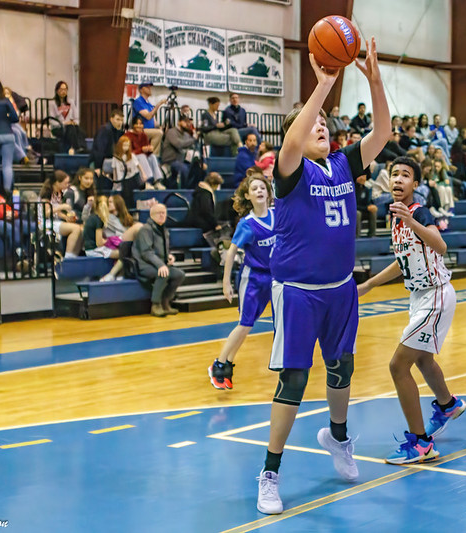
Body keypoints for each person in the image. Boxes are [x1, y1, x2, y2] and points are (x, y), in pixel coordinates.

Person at [255, 39, 391, 515]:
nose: (321, 127)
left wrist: (375, 82)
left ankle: (337, 437)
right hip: (298, 292)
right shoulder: (290, 171)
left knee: (342, 368)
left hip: (340, 289)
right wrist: (324, 86)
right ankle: (270, 472)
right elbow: (293, 141)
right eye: (313, 123)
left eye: (325, 124)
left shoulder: (342, 164)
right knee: (294, 379)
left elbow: (383, 132)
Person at [357, 157, 466, 464]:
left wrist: (412, 221)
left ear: (415, 184)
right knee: (422, 359)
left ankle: (420, 444)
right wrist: (370, 284)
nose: (398, 179)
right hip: (419, 297)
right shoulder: (396, 220)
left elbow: (440, 246)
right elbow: (402, 261)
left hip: (436, 295)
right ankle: (447, 405)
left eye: (405, 175)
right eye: (394, 174)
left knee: (398, 365)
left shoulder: (419, 212)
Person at [208, 174, 275, 390]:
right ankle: (219, 364)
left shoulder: (278, 215)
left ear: (268, 192)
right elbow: (231, 252)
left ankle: (228, 363)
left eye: (262, 187)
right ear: (247, 196)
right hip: (253, 278)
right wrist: (226, 282)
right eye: (254, 189)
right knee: (245, 324)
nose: (259, 191)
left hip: (276, 277)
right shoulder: (247, 224)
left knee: (275, 322)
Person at [133, 203, 183, 317]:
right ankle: (155, 305)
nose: (162, 215)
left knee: (179, 275)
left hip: (159, 264)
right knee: (163, 273)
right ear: (151, 215)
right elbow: (146, 252)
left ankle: (165, 302)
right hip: (145, 265)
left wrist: (169, 256)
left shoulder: (164, 230)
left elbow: (163, 249)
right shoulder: (145, 230)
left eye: (164, 213)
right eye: (159, 213)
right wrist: (161, 265)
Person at [39, 170, 83, 258]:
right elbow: (46, 213)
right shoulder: (47, 193)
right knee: (76, 229)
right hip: (45, 222)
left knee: (82, 229)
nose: (67, 185)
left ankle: (74, 256)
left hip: (55, 220)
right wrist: (61, 206)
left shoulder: (59, 193)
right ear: (57, 183)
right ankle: (68, 257)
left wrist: (66, 217)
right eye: (65, 183)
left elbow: (57, 212)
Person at [125, 117, 165, 189]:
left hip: (142, 156)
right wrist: (142, 150)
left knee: (152, 156)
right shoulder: (128, 135)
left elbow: (146, 149)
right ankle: (147, 181)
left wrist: (149, 149)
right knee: (142, 156)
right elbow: (129, 152)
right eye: (137, 124)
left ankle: (157, 181)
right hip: (132, 158)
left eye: (140, 124)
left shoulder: (143, 135)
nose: (139, 126)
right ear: (133, 125)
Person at [49, 81, 85, 154]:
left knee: (79, 130)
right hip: (58, 128)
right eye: (61, 89)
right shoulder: (52, 103)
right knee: (70, 128)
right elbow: (51, 120)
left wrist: (74, 122)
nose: (63, 92)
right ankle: (77, 147)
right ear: (57, 91)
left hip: (70, 126)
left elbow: (76, 117)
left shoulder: (71, 102)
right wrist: (64, 123)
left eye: (65, 89)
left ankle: (83, 148)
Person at [162, 115, 197, 188]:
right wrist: (193, 139)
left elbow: (192, 146)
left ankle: (192, 189)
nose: (188, 124)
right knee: (184, 169)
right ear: (179, 122)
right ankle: (184, 190)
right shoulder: (172, 132)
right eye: (185, 122)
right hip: (171, 160)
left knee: (197, 168)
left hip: (183, 160)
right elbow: (179, 144)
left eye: (189, 122)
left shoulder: (186, 135)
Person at [132, 82, 166, 155]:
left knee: (161, 132)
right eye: (147, 87)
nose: (150, 89)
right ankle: (151, 155)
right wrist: (159, 104)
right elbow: (148, 116)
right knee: (158, 133)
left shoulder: (149, 104)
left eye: (150, 87)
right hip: (141, 129)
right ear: (141, 90)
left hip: (150, 129)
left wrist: (160, 126)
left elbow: (154, 121)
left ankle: (154, 155)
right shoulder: (138, 102)